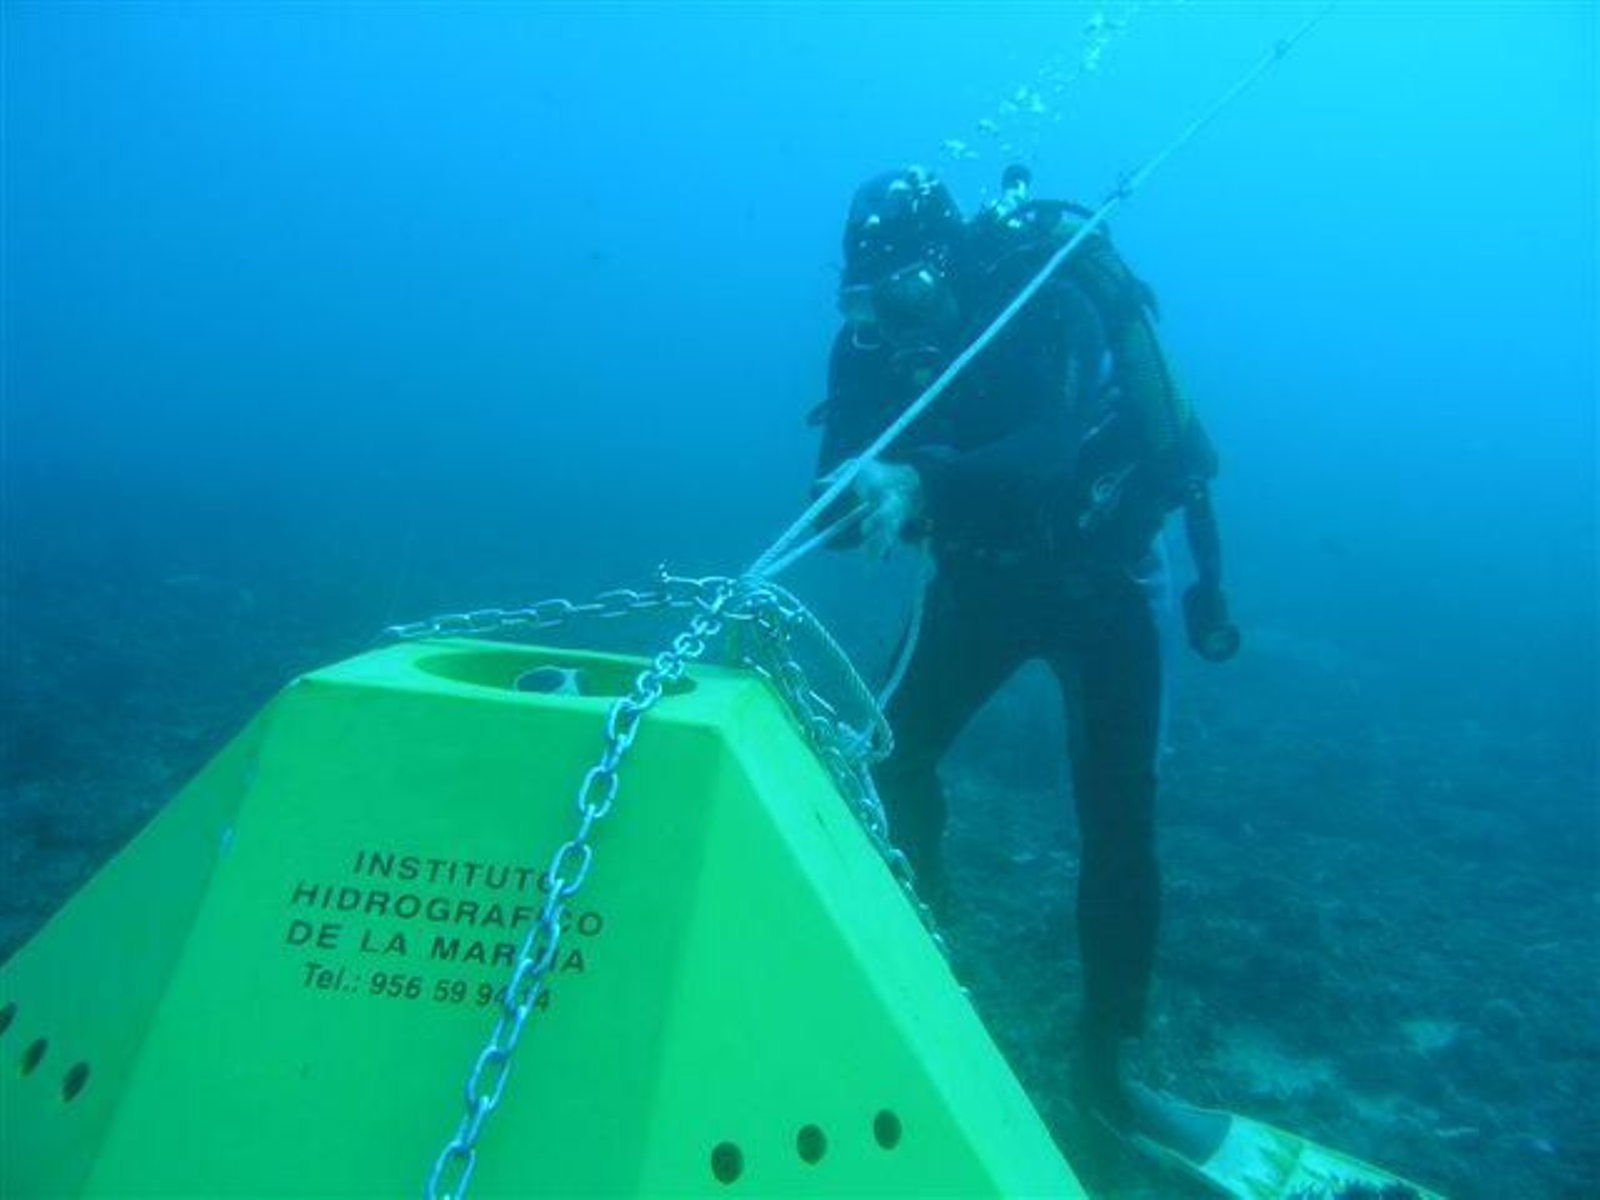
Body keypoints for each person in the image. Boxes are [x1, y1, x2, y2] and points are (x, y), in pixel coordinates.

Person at [808, 163, 1237, 1131]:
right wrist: (855, 493)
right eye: (867, 302)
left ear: (950, 264)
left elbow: (1046, 452)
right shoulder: (868, 347)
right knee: (882, 759)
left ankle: (1107, 1057)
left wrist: (914, 481)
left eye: (910, 293)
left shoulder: (1043, 305)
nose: (893, 324)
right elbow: (829, 498)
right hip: (977, 583)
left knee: (1118, 817)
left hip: (1103, 585)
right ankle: (922, 956)